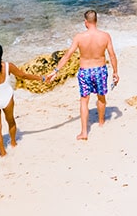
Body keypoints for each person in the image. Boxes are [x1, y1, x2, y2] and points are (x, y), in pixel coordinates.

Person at [47, 10, 120, 140]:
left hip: (85, 71)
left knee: (84, 101)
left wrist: (55, 71)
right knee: (101, 97)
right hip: (100, 70)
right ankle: (101, 122)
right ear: (96, 21)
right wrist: (115, 72)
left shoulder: (79, 37)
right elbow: (112, 55)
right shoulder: (105, 36)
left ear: (86, 22)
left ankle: (84, 132)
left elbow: (68, 55)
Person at [0, 43, 43, 157]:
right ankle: (13, 142)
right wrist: (41, 78)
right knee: (11, 121)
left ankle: (3, 153)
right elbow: (24, 76)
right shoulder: (9, 66)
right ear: (2, 53)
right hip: (7, 98)